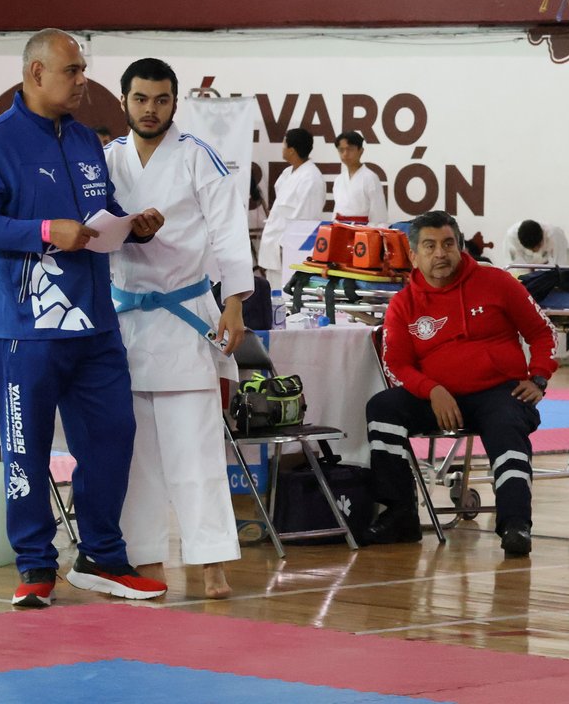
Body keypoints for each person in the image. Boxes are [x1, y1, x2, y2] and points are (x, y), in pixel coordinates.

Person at [0, 28, 169, 610]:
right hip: (28, 329)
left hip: (96, 324)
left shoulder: (82, 139)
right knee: (25, 449)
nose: (82, 81)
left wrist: (132, 225)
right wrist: (47, 231)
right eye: (72, 70)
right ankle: (35, 565)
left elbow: (99, 213)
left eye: (82, 69)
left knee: (111, 439)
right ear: (36, 73)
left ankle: (101, 557)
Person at [105, 58, 251, 601]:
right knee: (135, 455)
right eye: (141, 99)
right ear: (124, 100)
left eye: (162, 99)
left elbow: (229, 232)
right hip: (125, 321)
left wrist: (234, 303)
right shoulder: (105, 161)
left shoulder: (196, 156)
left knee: (196, 450)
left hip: (185, 314)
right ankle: (146, 558)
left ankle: (211, 563)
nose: (151, 109)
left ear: (174, 102)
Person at [364, 211, 558, 556]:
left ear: (460, 246)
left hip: (500, 392)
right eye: (430, 246)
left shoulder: (497, 282)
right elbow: (396, 364)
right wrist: (432, 390)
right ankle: (400, 515)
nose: (440, 253)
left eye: (448, 244)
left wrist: (539, 376)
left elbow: (543, 332)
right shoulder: (403, 305)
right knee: (382, 408)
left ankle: (516, 524)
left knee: (507, 424)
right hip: (438, 399)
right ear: (414, 256)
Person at [256, 127, 328, 276]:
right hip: (274, 246)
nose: (282, 148)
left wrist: (285, 245)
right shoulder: (287, 173)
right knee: (273, 288)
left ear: (292, 150)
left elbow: (307, 219)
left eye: (284, 144)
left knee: (287, 289)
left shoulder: (311, 178)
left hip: (291, 250)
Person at [333, 131, 388, 224]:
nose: (345, 154)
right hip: (339, 227)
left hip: (362, 229)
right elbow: (336, 210)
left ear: (361, 151)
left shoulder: (370, 178)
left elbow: (379, 215)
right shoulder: (339, 179)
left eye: (350, 149)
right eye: (341, 150)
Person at [502, 219, 569, 265]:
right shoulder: (512, 236)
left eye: (538, 246)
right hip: (531, 262)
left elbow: (561, 263)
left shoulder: (555, 234)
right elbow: (514, 264)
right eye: (531, 249)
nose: (535, 251)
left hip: (563, 256)